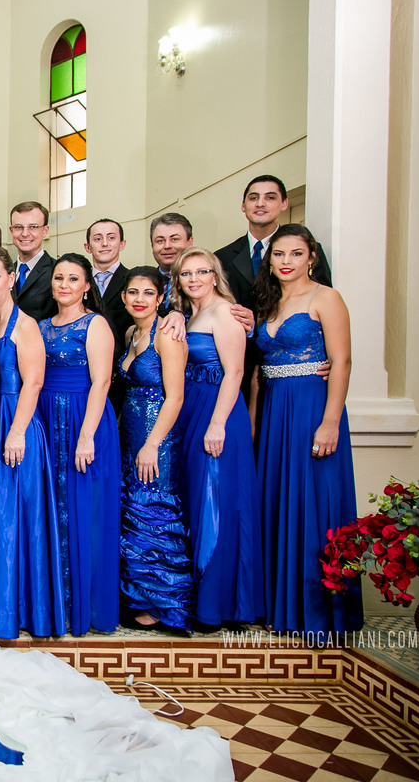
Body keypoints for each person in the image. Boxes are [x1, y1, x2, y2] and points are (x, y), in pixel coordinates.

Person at [252, 224, 361, 634]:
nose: (286, 261)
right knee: (277, 500)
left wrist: (330, 422)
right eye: (279, 254)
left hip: (312, 407)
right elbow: (259, 370)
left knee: (312, 501)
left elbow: (342, 361)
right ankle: (279, 608)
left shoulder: (326, 297)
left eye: (296, 253)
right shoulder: (268, 303)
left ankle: (317, 613)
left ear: (311, 257)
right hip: (274, 409)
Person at [0, 246, 59, 639]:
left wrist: (17, 432)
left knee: (14, 518)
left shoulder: (26, 325)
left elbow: (34, 382)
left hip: (16, 425)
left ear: (11, 277)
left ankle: (19, 611)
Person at [171, 249, 265, 630]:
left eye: (201, 271)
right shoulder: (189, 315)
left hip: (218, 413)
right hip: (192, 409)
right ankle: (202, 598)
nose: (193, 279)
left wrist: (217, 424)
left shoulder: (225, 311)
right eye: (186, 273)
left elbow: (235, 372)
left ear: (215, 275)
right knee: (198, 500)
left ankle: (223, 604)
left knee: (219, 502)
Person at [35, 252, 121, 636]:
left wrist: (86, 436)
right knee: (52, 508)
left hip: (83, 418)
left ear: (87, 286)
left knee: (85, 509)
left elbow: (102, 382)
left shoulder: (95, 324)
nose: (64, 285)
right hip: (45, 416)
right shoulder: (39, 326)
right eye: (59, 278)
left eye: (73, 278)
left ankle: (85, 607)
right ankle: (55, 603)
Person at [114, 267, 190, 632]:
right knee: (133, 509)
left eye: (148, 293)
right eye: (133, 292)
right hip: (129, 434)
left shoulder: (167, 335)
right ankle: (138, 596)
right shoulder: (131, 333)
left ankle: (164, 601)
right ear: (124, 297)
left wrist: (152, 444)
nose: (139, 299)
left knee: (155, 509)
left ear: (161, 298)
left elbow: (175, 397)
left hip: (156, 436)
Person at [215, 175, 333, 400]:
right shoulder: (221, 258)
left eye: (270, 197)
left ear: (284, 204)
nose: (260, 203)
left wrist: (328, 357)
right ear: (243, 205)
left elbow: (324, 311)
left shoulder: (307, 251)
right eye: (253, 198)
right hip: (238, 369)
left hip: (294, 370)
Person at [84, 218, 132, 355]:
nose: (105, 243)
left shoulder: (133, 281)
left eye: (111, 238)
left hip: (121, 357)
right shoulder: (78, 282)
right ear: (87, 247)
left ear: (122, 244)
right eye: (97, 239)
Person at [9, 202, 57, 322]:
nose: (25, 234)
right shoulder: (4, 272)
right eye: (18, 227)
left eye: (33, 227)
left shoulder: (56, 271)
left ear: (45, 231)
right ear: (11, 230)